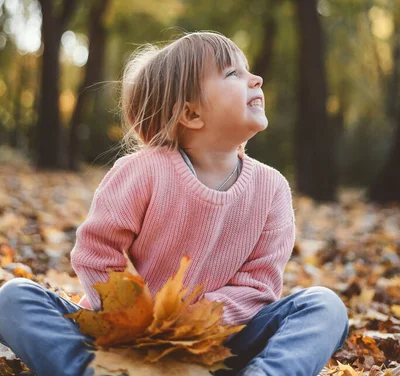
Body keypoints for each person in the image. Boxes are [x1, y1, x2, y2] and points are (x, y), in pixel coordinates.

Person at [0, 31, 349, 376]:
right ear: (191, 114)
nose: (256, 79)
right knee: (13, 299)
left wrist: (188, 325)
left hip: (220, 342)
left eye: (248, 70)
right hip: (121, 338)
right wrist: (134, 321)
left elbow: (259, 287)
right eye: (233, 74)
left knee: (325, 307)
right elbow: (97, 252)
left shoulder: (271, 188)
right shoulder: (143, 171)